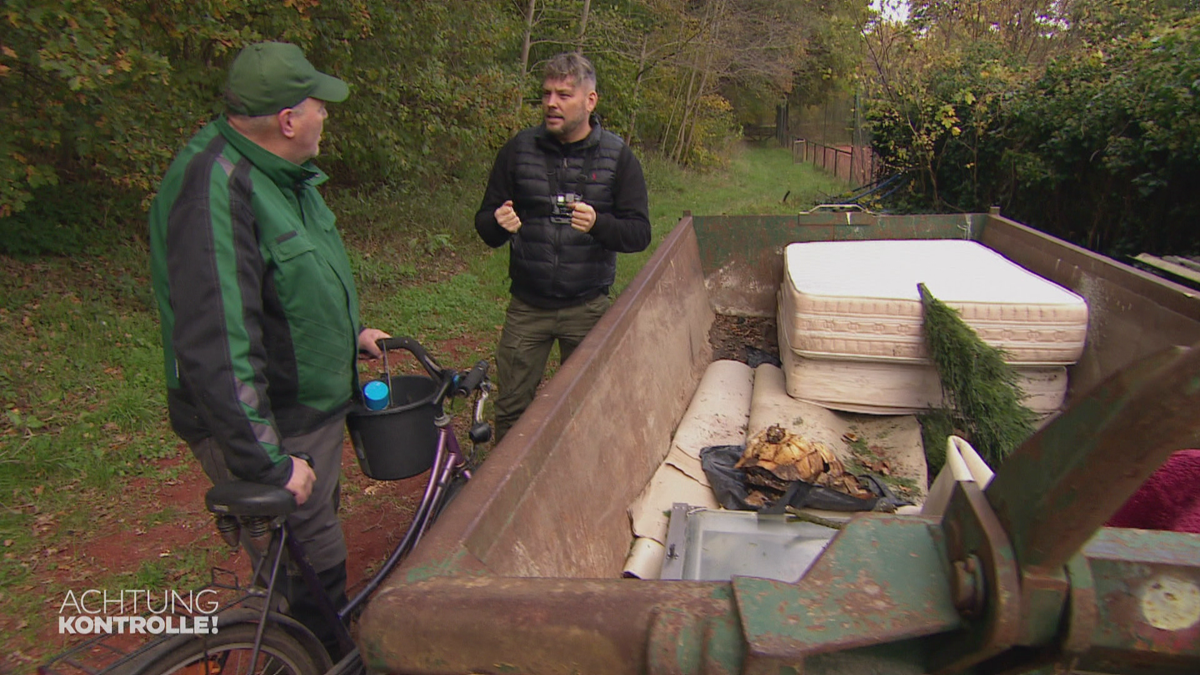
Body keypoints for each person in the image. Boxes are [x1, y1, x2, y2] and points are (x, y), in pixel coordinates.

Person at [148, 41, 387, 660]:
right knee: (314, 568)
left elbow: (291, 281)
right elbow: (216, 346)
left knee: (299, 556)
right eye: (318, 106)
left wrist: (349, 332)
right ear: (287, 120)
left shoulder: (284, 174)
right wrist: (270, 464)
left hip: (306, 407)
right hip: (270, 422)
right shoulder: (215, 191)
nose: (326, 115)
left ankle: (288, 642)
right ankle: (312, 658)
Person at [475, 52, 651, 443]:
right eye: (546, 94)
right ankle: (507, 499)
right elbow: (486, 225)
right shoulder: (518, 151)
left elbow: (639, 234)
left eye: (563, 95)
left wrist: (600, 225)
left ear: (590, 101)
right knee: (512, 412)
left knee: (589, 407)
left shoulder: (618, 157)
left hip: (587, 308)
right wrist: (497, 223)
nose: (551, 103)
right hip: (528, 307)